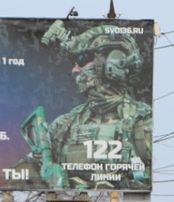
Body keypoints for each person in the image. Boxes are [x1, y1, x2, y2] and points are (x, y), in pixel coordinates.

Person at [27, 22, 153, 190]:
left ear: (114, 61)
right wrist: (44, 176)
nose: (75, 70)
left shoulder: (144, 122)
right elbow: (19, 175)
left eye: (81, 60)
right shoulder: (63, 126)